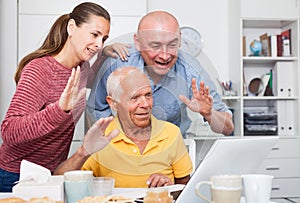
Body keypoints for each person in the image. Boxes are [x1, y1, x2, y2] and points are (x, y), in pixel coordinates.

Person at [0, 2, 129, 192]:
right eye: (94, 35)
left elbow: (88, 79)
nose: (99, 44)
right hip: (15, 176)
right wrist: (59, 110)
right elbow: (9, 131)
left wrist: (104, 55)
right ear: (71, 27)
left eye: (104, 38)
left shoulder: (81, 67)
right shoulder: (39, 71)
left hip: (51, 174)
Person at [87, 11, 234, 137]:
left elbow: (228, 127)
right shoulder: (118, 63)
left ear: (180, 39)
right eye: (155, 46)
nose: (164, 55)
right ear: (137, 42)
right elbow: (96, 109)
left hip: (172, 154)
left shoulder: (191, 71)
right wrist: (118, 141)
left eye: (172, 45)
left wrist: (208, 113)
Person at [54, 67, 192, 188]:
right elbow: (59, 181)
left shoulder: (171, 132)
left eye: (148, 95)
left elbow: (185, 188)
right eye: (135, 97)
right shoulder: (101, 136)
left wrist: (169, 187)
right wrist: (84, 152)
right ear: (113, 103)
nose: (145, 104)